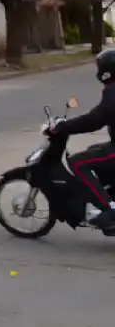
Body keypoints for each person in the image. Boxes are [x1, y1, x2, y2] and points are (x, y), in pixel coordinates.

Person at [48, 48, 115, 232]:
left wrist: (66, 127)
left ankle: (110, 208)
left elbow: (95, 120)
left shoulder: (112, 92)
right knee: (95, 149)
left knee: (77, 162)